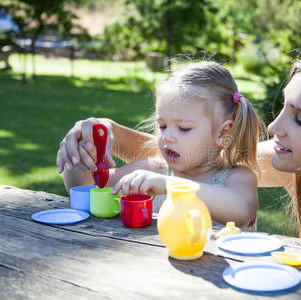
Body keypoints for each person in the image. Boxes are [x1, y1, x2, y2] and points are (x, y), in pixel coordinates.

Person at [57, 50, 301, 257]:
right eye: (283, 109)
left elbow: (188, 170)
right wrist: (101, 136)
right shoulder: (292, 160)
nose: (273, 128)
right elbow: (183, 159)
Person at [62, 61, 266, 228]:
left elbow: (242, 211)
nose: (167, 137)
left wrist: (169, 185)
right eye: (162, 126)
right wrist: (79, 158)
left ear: (223, 132)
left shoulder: (236, 177)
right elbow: (85, 188)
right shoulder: (154, 170)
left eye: (184, 128)